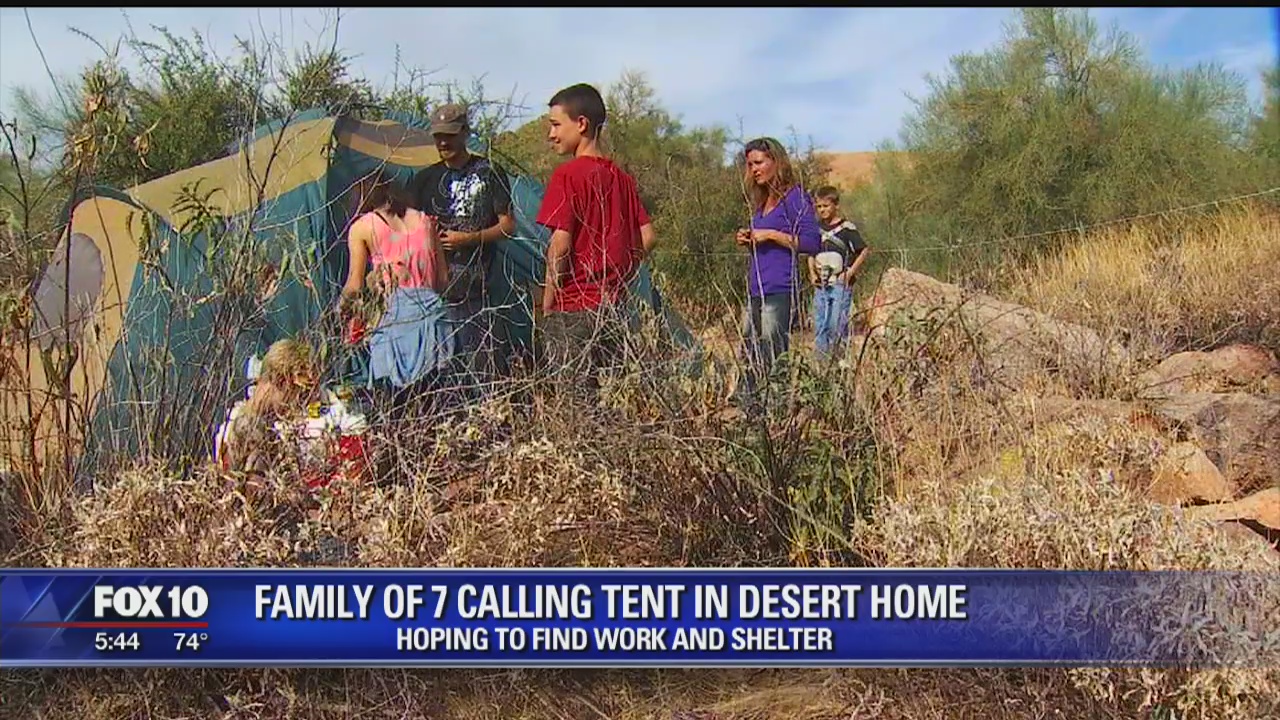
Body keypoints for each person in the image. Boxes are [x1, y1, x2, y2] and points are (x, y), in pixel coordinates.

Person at [534, 82, 657, 386]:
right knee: (610, 394)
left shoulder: (567, 175)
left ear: (581, 124)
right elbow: (648, 237)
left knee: (575, 399)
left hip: (573, 307)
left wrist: (548, 303)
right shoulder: (622, 179)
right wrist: (618, 277)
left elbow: (560, 245)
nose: (551, 134)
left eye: (556, 125)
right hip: (613, 308)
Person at [408, 103, 516, 384]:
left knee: (484, 371)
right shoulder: (424, 180)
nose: (443, 142)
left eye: (450, 135)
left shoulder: (489, 172)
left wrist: (468, 239)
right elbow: (409, 231)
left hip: (480, 290)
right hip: (434, 294)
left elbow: (508, 226)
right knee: (443, 374)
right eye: (438, 136)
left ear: (465, 133)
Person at [343, 169, 453, 414]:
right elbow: (443, 279)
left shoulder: (362, 227)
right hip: (435, 323)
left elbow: (354, 285)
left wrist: (341, 311)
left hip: (394, 326)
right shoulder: (426, 220)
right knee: (434, 409)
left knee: (396, 412)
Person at [734, 137, 821, 409]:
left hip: (779, 288)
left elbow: (812, 243)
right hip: (756, 288)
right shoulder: (762, 204)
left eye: (759, 163)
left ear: (776, 161)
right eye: (750, 165)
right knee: (750, 351)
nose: (754, 170)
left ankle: (776, 412)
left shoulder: (795, 198)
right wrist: (749, 238)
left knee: (773, 352)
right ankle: (750, 410)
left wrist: (771, 234)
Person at [216, 338, 321, 476]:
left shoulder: (249, 420)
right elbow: (253, 486)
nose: (297, 407)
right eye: (297, 396)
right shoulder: (247, 430)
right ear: (281, 381)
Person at [808, 185, 870, 361]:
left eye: (826, 206)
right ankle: (821, 363)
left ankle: (839, 361)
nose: (822, 210)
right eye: (819, 207)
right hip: (821, 284)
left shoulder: (847, 228)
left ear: (836, 205)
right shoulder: (815, 229)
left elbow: (863, 250)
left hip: (840, 284)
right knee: (820, 323)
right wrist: (812, 274)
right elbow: (811, 253)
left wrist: (849, 273)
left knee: (837, 323)